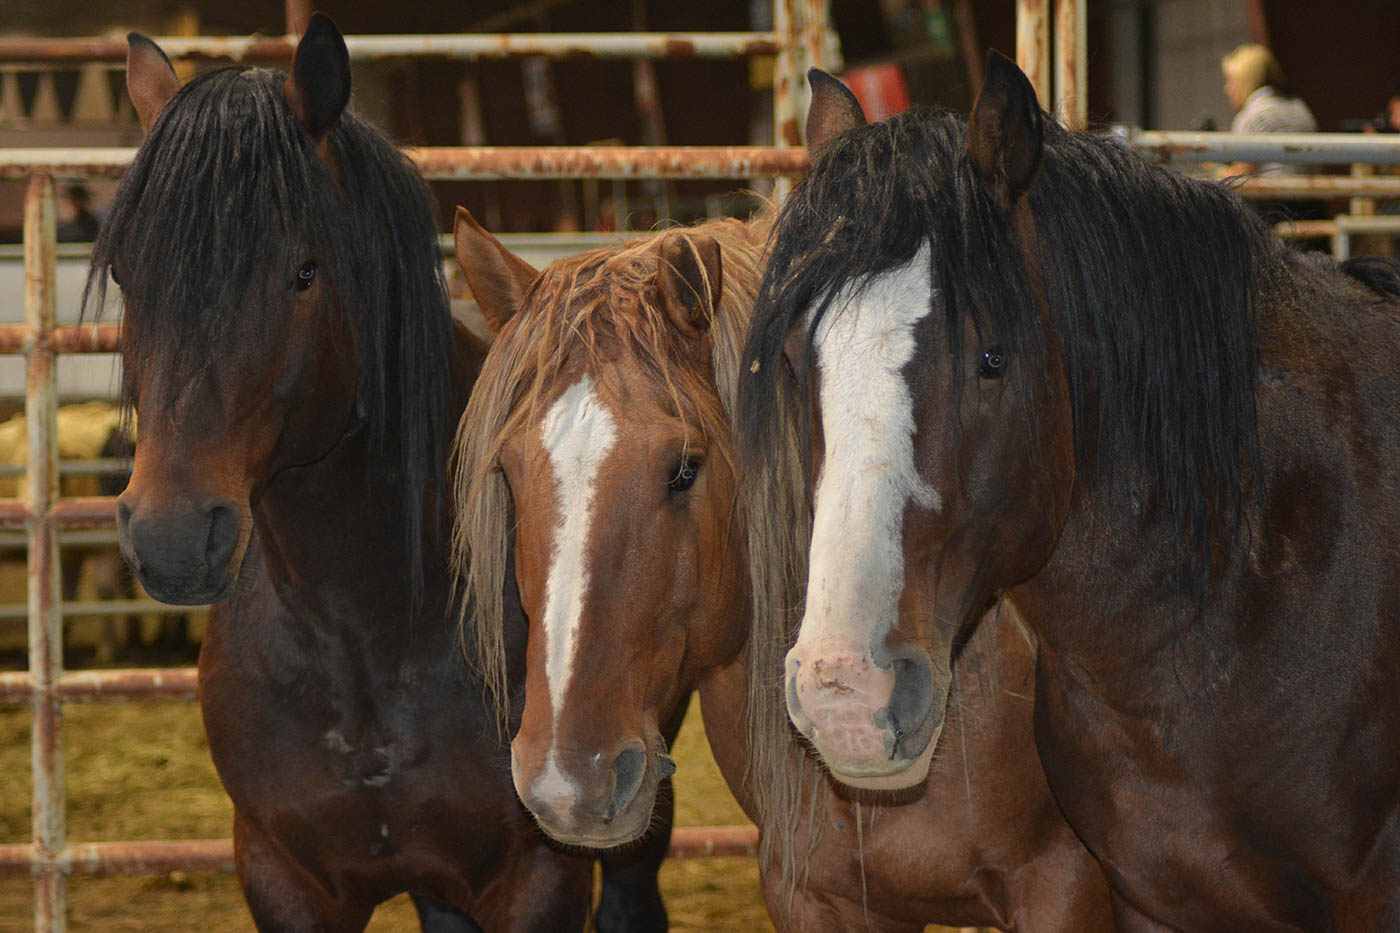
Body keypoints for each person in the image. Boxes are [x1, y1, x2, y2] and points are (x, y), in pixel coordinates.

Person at [1220, 44, 1317, 178]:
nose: (1226, 89)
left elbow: (1239, 179)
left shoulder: (1253, 115)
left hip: (1273, 196)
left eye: (1231, 81)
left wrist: (1214, 167)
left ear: (1245, 81)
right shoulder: (1298, 106)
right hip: (1310, 195)